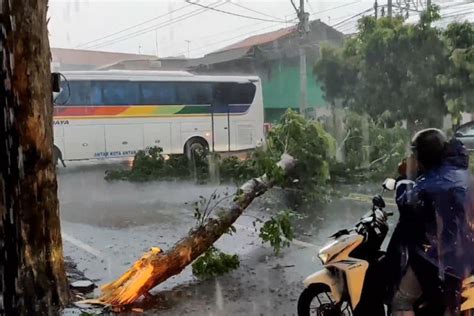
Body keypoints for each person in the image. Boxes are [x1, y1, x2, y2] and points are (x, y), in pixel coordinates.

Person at [386, 128, 473, 316]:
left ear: (425, 155)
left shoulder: (432, 184)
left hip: (438, 258)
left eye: (416, 153)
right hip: (464, 253)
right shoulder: (461, 173)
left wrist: (403, 178)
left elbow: (407, 204)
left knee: (401, 300)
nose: (413, 157)